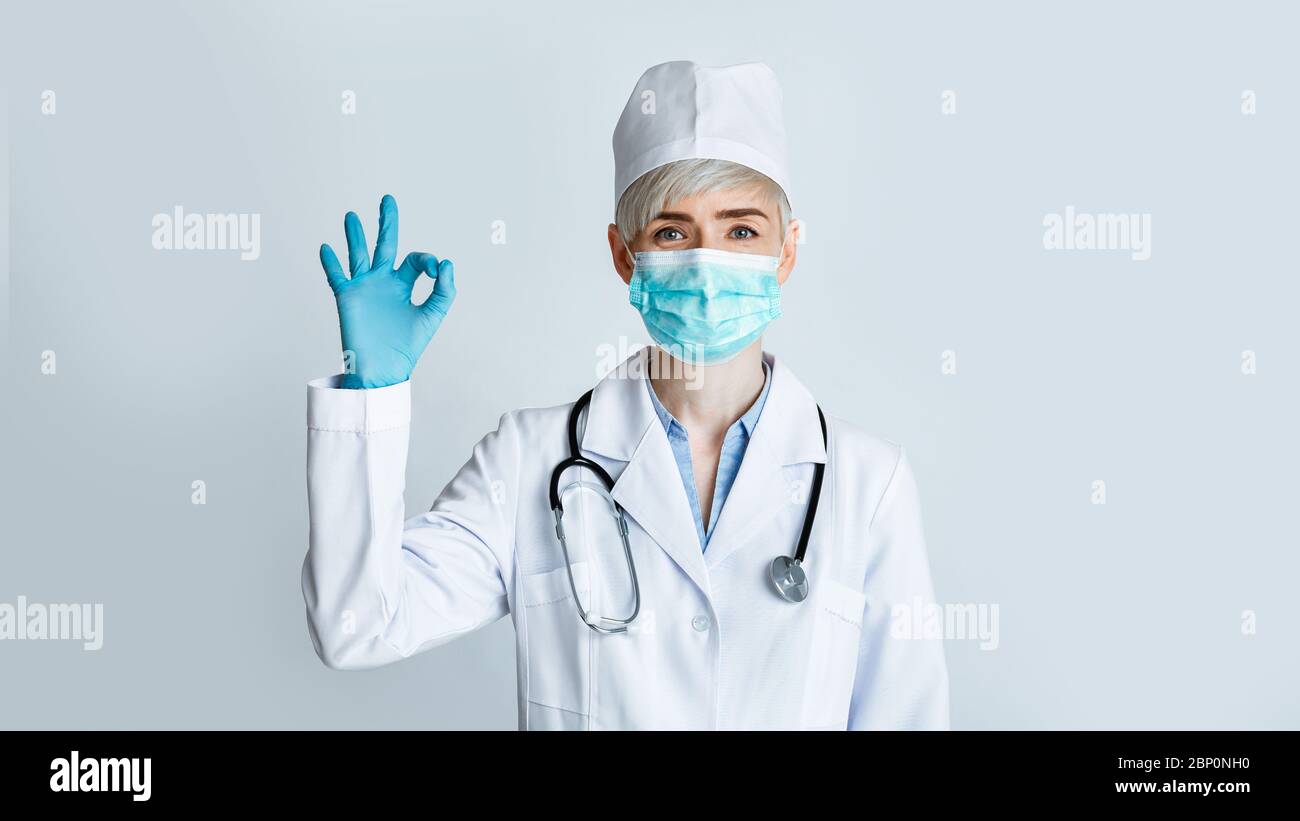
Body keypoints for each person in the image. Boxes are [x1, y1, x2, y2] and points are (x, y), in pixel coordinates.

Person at [301, 60, 949, 730]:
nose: (705, 262)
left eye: (742, 230)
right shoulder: (529, 459)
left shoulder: (869, 485)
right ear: (623, 254)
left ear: (785, 252)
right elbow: (356, 628)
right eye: (672, 232)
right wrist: (369, 394)